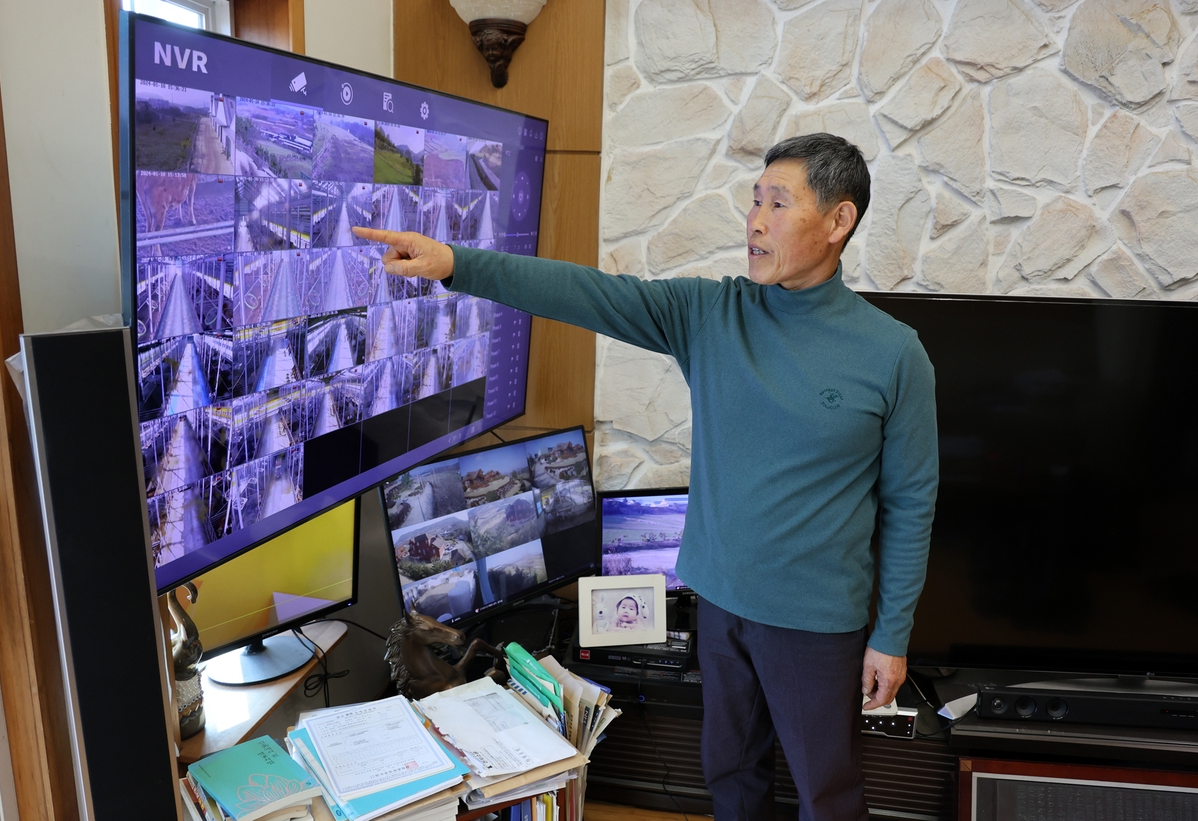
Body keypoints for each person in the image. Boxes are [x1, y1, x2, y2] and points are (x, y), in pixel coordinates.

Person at [354, 133, 938, 821]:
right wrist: (458, 264)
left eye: (778, 204)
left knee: (827, 796)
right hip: (719, 605)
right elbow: (589, 293)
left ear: (839, 221)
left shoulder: (894, 354)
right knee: (731, 776)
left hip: (816, 625)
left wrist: (891, 634)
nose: (754, 220)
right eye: (754, 201)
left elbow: (911, 501)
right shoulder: (711, 315)